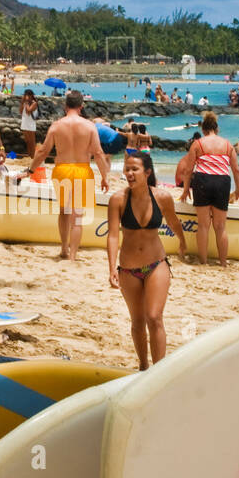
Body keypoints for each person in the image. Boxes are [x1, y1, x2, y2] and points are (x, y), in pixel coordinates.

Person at [105, 151, 188, 370]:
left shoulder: (162, 197)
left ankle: (159, 371)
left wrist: (182, 241)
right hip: (128, 269)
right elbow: (113, 235)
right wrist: (111, 267)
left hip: (156, 264)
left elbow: (173, 222)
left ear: (147, 172)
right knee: (138, 321)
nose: (129, 173)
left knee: (154, 317)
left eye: (135, 169)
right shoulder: (118, 200)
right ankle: (143, 367)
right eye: (127, 169)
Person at [24, 90, 111, 260]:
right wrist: (105, 177)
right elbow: (99, 153)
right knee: (77, 215)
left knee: (64, 211)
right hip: (82, 170)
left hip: (62, 170)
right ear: (81, 106)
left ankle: (63, 248)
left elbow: (42, 151)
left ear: (65, 107)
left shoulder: (57, 125)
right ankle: (72, 255)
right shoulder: (89, 126)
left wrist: (30, 170)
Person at [178, 111, 239, 266]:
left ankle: (203, 261)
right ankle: (222, 263)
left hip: (202, 180)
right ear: (217, 128)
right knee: (220, 227)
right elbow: (236, 170)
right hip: (222, 182)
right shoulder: (228, 145)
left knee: (203, 225)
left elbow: (188, 170)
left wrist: (186, 189)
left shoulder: (198, 143)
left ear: (203, 129)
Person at [20, 88, 39, 159]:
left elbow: (28, 111)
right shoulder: (25, 103)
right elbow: (21, 112)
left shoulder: (34, 103)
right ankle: (29, 156)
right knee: (27, 141)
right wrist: (22, 103)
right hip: (24, 122)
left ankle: (33, 157)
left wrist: (27, 102)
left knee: (32, 142)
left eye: (26, 95)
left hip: (31, 124)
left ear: (30, 96)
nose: (25, 97)